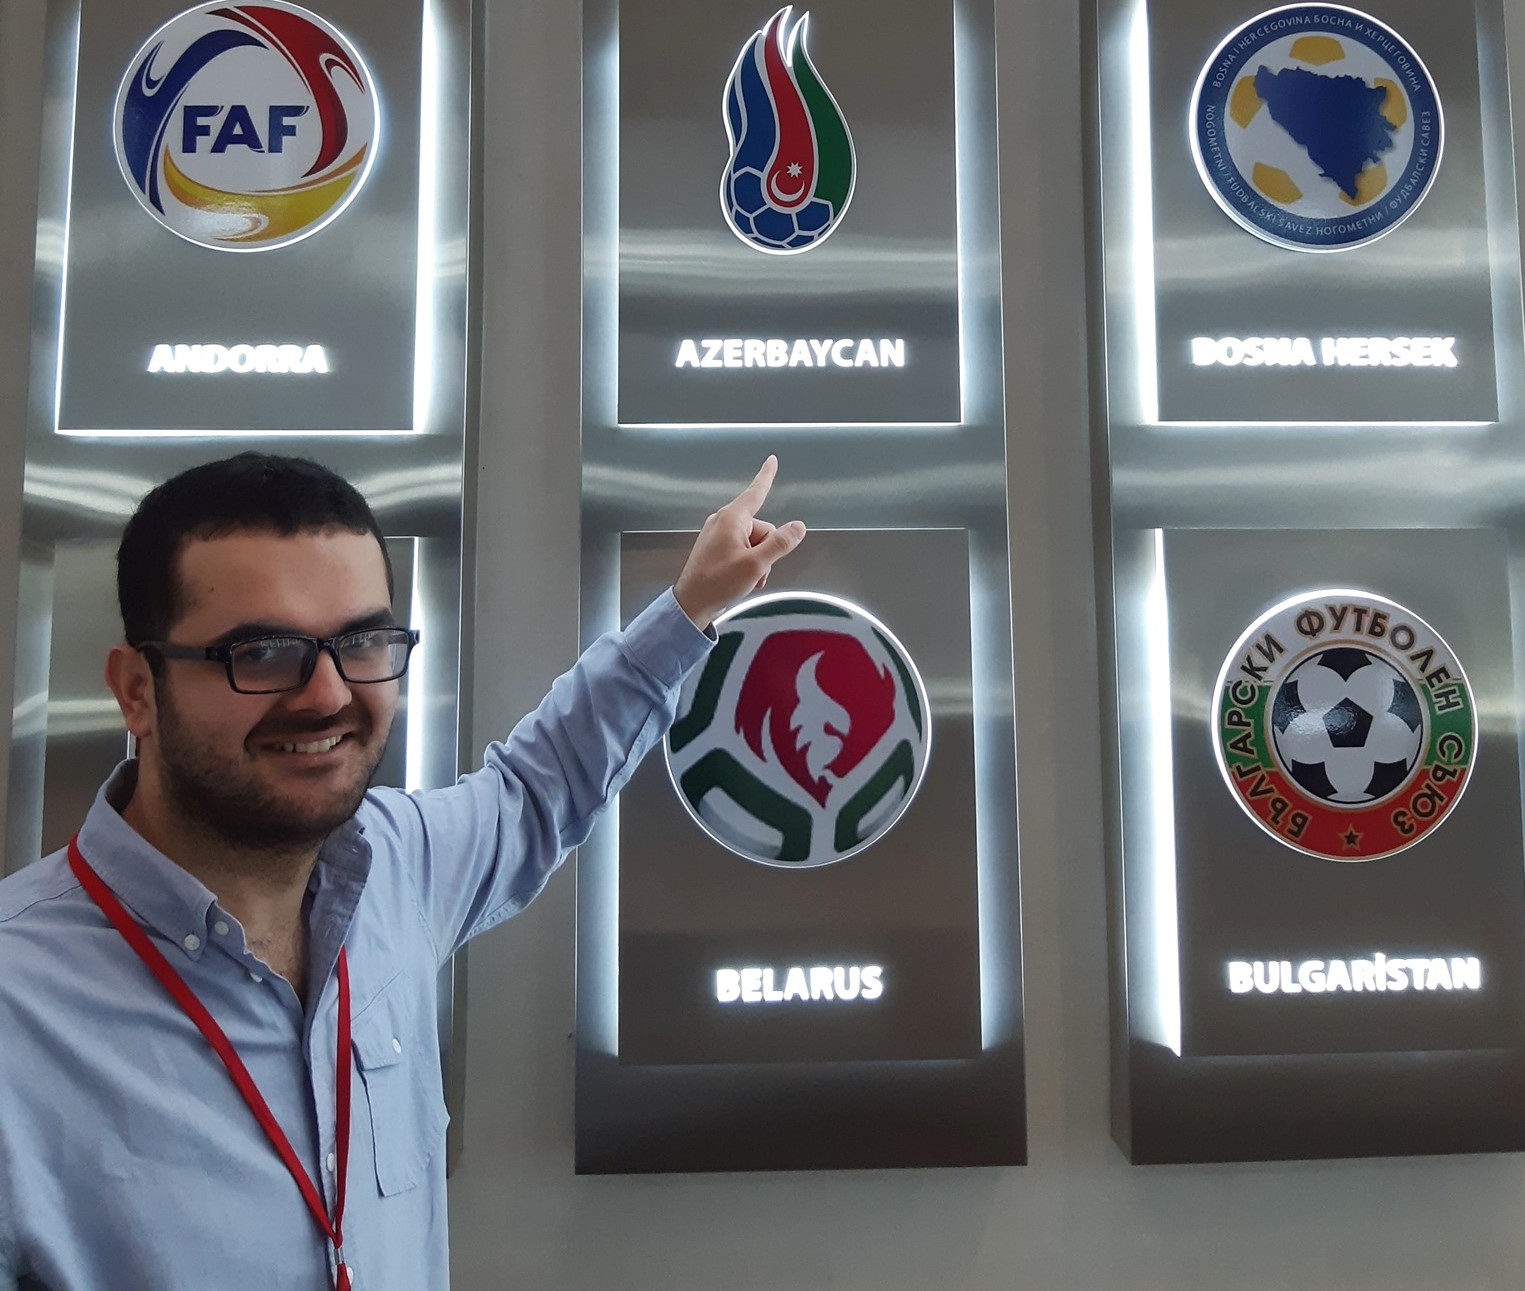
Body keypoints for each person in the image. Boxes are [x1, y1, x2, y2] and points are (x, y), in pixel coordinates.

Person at [0, 451, 805, 1291]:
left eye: (362, 642)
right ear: (136, 689)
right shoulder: (18, 1010)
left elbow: (537, 787)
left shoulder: (395, 865)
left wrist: (691, 605)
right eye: (261, 651)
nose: (325, 695)